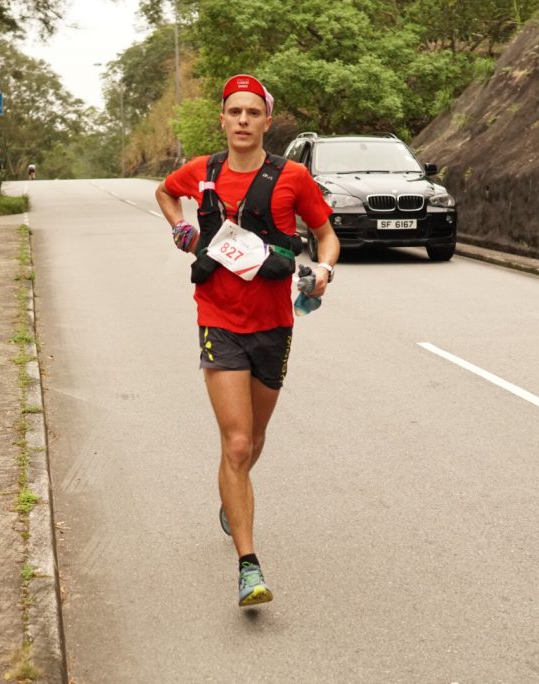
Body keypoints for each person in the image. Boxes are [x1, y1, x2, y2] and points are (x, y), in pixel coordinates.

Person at [154, 74, 340, 607]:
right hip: (218, 321)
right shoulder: (203, 172)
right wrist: (178, 229)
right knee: (236, 443)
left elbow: (325, 234)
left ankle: (231, 498)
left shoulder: (292, 177)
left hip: (275, 325)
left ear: (266, 120)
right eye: (234, 112)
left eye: (252, 113)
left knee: (254, 441)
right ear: (222, 119)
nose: (242, 121)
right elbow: (165, 192)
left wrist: (324, 269)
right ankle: (248, 566)